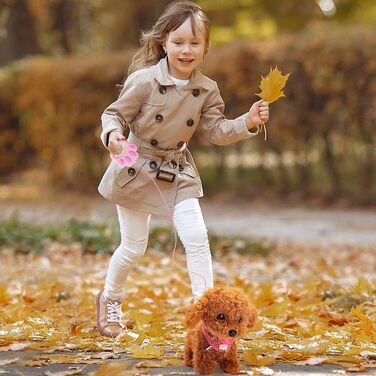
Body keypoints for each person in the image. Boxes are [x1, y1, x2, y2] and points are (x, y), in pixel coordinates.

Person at [96, 0, 269, 337]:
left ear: (205, 46)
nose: (186, 50)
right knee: (133, 247)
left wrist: (246, 121)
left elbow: (216, 131)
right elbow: (114, 113)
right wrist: (114, 135)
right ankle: (110, 299)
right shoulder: (144, 80)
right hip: (137, 167)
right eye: (178, 42)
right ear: (164, 43)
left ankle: (208, 319)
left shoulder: (206, 89)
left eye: (194, 43)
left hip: (178, 169)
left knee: (197, 237)